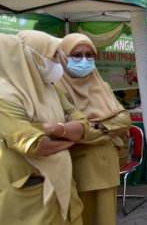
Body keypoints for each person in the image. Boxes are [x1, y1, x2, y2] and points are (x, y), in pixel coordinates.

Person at [0, 31, 95, 224]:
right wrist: (72, 137)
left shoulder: (51, 88)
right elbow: (35, 144)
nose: (58, 61)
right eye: (53, 56)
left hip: (63, 183)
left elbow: (83, 123)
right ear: (28, 57)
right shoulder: (5, 96)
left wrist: (56, 129)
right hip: (31, 194)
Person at [55, 33, 131, 225]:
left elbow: (125, 118)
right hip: (77, 166)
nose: (84, 60)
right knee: (81, 218)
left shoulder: (102, 85)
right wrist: (108, 131)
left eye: (90, 55)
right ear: (62, 57)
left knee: (106, 218)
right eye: (77, 55)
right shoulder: (56, 88)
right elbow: (67, 130)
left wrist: (98, 126)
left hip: (108, 165)